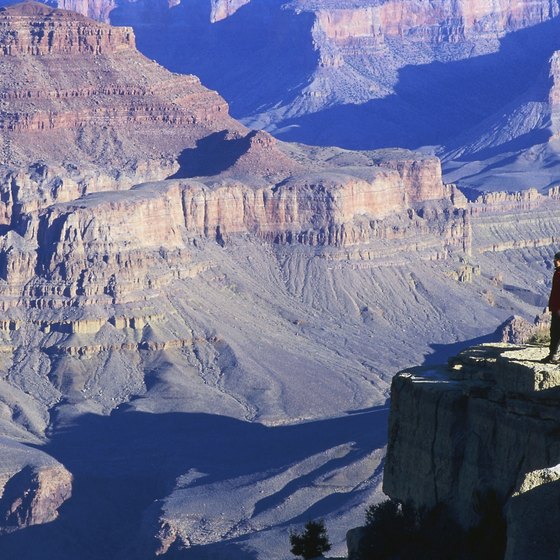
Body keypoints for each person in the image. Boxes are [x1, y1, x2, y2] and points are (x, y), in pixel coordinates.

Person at [541, 251, 560, 364]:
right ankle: (553, 354)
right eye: (555, 259)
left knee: (556, 332)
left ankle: (553, 355)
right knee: (554, 332)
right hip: (555, 308)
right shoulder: (557, 273)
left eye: (557, 259)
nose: (554, 261)